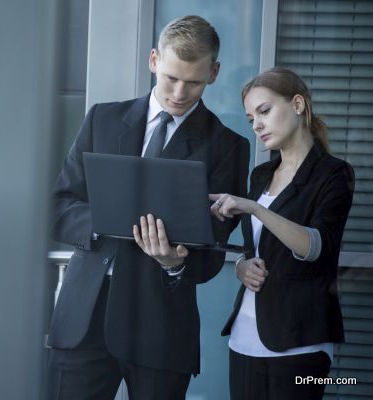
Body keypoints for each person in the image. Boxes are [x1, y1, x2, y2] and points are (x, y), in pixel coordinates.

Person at [46, 15, 250, 399]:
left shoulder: (228, 147)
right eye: (171, 77)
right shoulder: (102, 119)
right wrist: (108, 220)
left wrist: (174, 262)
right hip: (84, 320)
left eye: (193, 82)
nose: (178, 92)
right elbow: (58, 208)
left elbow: (211, 253)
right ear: (154, 60)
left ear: (215, 72)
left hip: (160, 330)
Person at [210, 67, 354, 400]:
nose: (257, 125)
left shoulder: (334, 174)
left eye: (264, 111)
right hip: (244, 338)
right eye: (250, 119)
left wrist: (256, 208)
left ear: (299, 104)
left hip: (300, 345)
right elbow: (256, 248)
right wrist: (241, 268)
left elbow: (316, 246)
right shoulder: (260, 175)